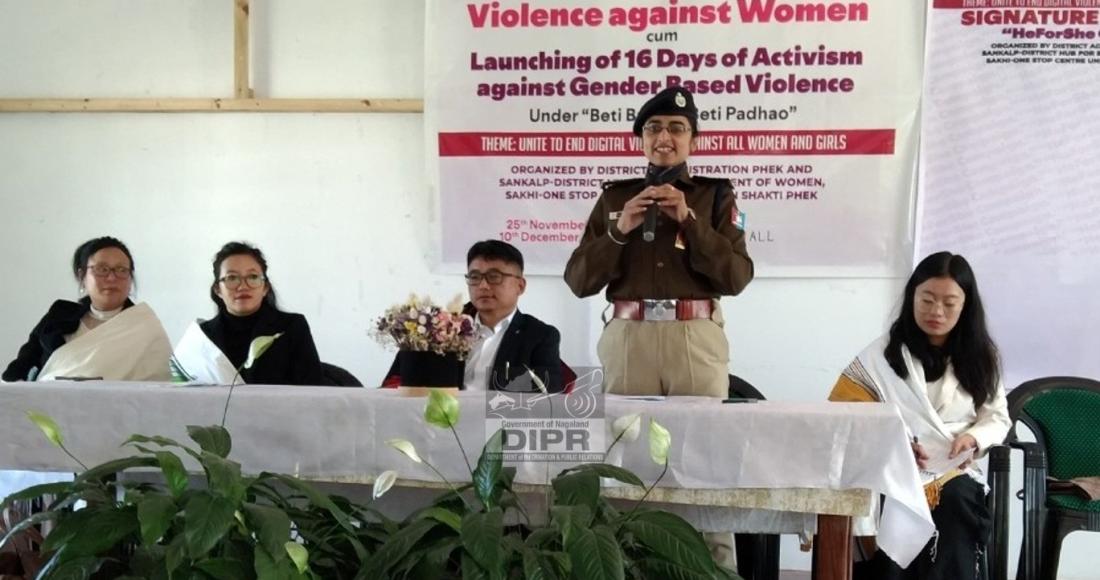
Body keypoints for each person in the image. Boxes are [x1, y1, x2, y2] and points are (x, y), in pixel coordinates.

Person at [829, 252, 1011, 579]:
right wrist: (894, 445)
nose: (936, 311)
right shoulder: (880, 355)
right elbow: (845, 415)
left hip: (953, 469)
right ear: (912, 296)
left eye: (949, 303)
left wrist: (972, 438)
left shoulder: (983, 357)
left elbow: (997, 417)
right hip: (890, 468)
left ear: (966, 306)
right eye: (926, 300)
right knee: (885, 501)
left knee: (956, 499)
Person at [564, 86, 753, 397]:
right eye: (653, 128)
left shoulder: (716, 195)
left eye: (677, 128)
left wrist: (690, 222)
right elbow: (578, 282)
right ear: (642, 140)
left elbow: (736, 278)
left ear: (694, 141)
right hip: (629, 337)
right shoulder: (616, 198)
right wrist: (619, 230)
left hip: (694, 337)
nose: (664, 136)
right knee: (626, 428)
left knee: (699, 429)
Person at [384, 240, 565, 392]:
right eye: (475, 277)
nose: (483, 286)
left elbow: (547, 392)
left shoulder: (540, 336)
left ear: (520, 286)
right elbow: (396, 383)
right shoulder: (438, 328)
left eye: (494, 277)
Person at [2, 236, 172, 382]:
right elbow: (17, 371)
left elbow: (161, 389)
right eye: (102, 269)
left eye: (121, 270)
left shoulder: (145, 327)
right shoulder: (59, 315)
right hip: (46, 408)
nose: (111, 277)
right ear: (81, 276)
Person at [173, 241, 324, 386]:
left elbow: (313, 389)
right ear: (218, 290)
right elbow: (182, 392)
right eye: (232, 278)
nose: (243, 286)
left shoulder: (291, 327)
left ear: (265, 288)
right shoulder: (202, 337)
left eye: (252, 277)